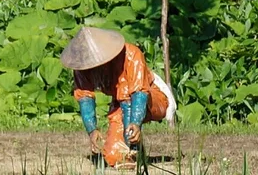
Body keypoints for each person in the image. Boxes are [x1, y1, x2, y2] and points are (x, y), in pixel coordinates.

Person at [60, 26, 176, 166]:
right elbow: (85, 97)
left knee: (127, 93)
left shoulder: (131, 55)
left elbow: (139, 93)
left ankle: (133, 147)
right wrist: (92, 130)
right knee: (113, 157)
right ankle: (133, 152)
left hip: (152, 95)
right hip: (121, 104)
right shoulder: (82, 69)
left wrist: (135, 123)